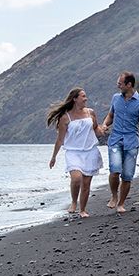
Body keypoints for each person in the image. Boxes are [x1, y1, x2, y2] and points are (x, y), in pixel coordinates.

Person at [100, 72, 139, 214]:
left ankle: (121, 203)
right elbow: (111, 115)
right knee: (115, 170)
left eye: (120, 83)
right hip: (115, 140)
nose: (117, 85)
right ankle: (114, 196)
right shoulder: (115, 98)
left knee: (127, 175)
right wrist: (105, 124)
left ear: (129, 84)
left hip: (131, 142)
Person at [48, 87, 104, 218]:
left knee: (86, 183)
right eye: (83, 96)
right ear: (75, 99)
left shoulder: (91, 113)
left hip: (90, 151)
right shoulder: (65, 117)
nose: (86, 99)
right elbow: (60, 139)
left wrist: (102, 130)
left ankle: (83, 209)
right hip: (73, 152)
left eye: (86, 96)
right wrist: (54, 157)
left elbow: (96, 129)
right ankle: (74, 202)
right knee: (77, 178)